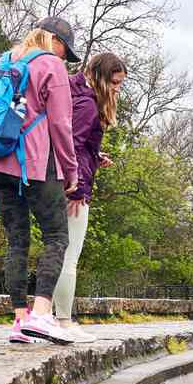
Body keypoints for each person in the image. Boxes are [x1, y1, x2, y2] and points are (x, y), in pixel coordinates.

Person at [0, 17, 80, 345]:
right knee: (57, 237)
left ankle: (20, 321)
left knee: (17, 240)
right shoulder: (51, 65)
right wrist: (71, 170)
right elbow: (61, 124)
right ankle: (42, 314)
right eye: (66, 51)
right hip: (34, 162)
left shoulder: (2, 60)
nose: (65, 58)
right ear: (56, 42)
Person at [52, 52, 128, 344]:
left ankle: (53, 317)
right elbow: (71, 146)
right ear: (99, 76)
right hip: (72, 188)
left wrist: (95, 157)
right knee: (69, 257)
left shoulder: (73, 93)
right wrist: (78, 187)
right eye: (115, 82)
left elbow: (78, 146)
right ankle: (64, 321)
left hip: (61, 181)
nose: (117, 89)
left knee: (58, 253)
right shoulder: (87, 103)